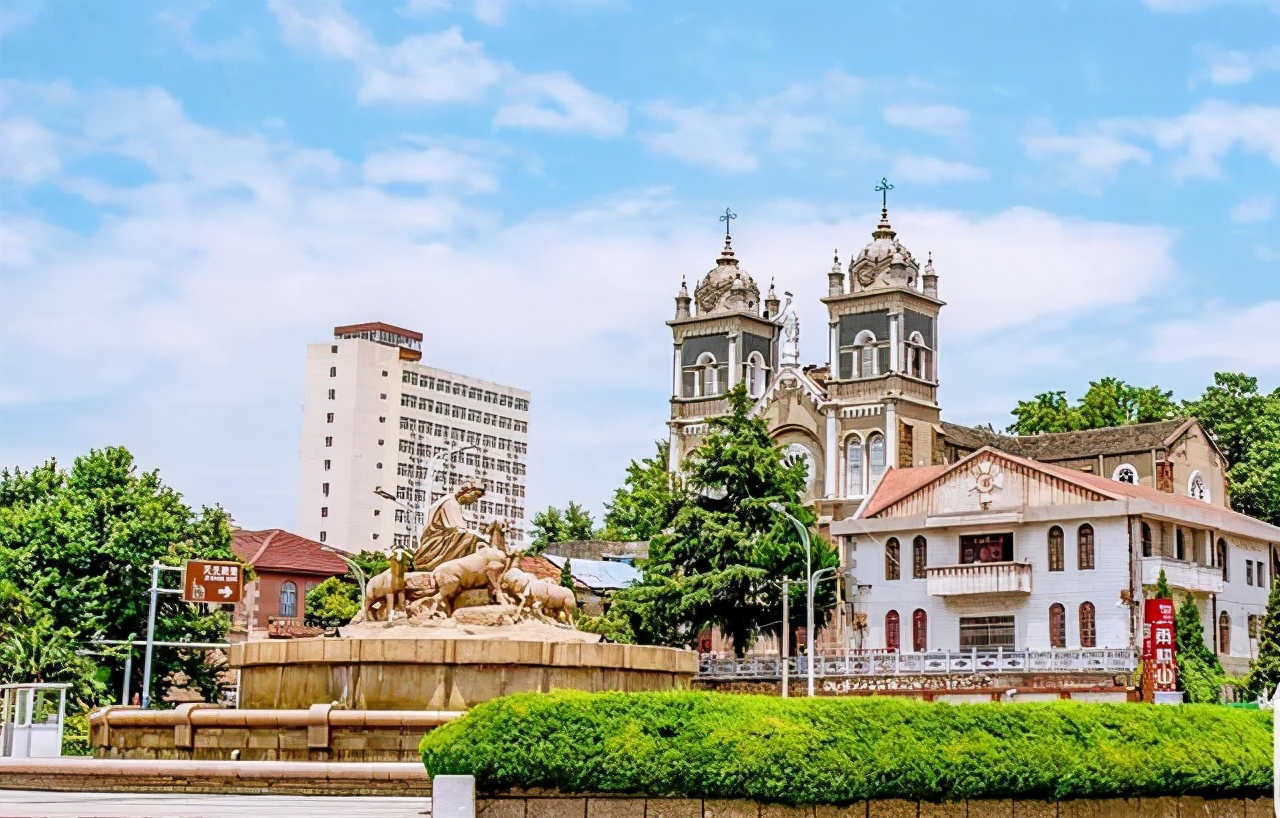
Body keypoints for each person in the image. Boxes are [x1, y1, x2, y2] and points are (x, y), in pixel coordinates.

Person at [412, 484, 492, 571]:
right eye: (476, 496)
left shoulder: (454, 502)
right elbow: (456, 529)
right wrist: (483, 538)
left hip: (443, 540)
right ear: (468, 492)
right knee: (469, 539)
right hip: (435, 544)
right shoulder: (450, 502)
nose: (476, 500)